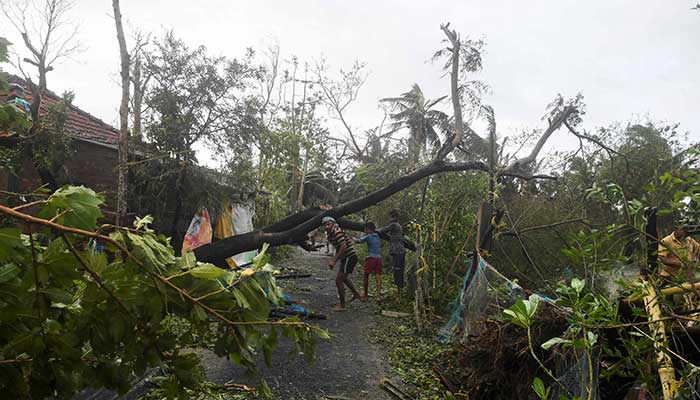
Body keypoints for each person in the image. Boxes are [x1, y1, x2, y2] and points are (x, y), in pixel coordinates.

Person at [323, 216, 362, 311]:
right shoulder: (331, 234)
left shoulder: (337, 232)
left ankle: (342, 305)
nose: (326, 227)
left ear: (333, 224)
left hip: (350, 256)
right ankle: (356, 294)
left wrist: (334, 261)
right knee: (343, 278)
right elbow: (339, 248)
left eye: (328, 224)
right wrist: (335, 259)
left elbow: (343, 247)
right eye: (325, 225)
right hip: (346, 257)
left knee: (339, 280)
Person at [379, 210, 406, 300]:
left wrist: (374, 230)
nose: (389, 218)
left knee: (397, 271)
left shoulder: (394, 225)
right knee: (399, 271)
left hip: (398, 251)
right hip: (400, 250)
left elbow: (383, 230)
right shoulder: (398, 226)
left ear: (394, 217)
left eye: (390, 216)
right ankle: (399, 292)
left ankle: (399, 294)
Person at [354, 221, 382, 304]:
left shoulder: (368, 237)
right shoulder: (378, 236)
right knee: (378, 278)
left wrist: (352, 238)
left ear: (368, 229)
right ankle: (379, 297)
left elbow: (358, 241)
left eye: (365, 229)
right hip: (379, 258)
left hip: (371, 258)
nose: (365, 231)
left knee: (366, 275)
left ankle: (365, 295)